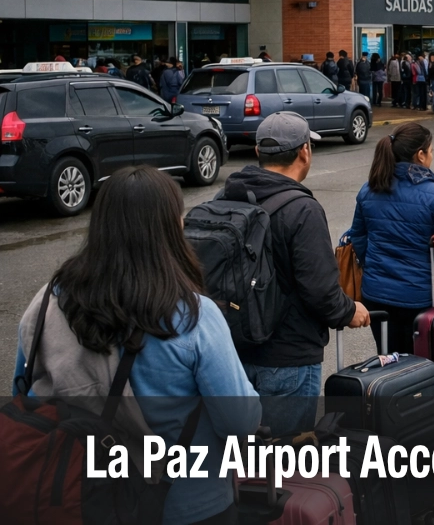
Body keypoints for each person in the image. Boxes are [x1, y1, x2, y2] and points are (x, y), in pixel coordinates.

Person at [14, 165, 261, 525]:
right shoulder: (193, 315)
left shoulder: (48, 302)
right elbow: (240, 422)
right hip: (184, 503)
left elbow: (24, 395)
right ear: (172, 228)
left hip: (75, 497)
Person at [222, 112, 370, 435]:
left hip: (236, 351)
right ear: (305, 151)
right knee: (286, 463)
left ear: (259, 152)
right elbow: (321, 291)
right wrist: (350, 311)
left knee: (246, 461)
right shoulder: (303, 210)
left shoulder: (227, 198)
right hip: (289, 359)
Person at [347, 123, 434, 354]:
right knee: (421, 368)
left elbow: (358, 235)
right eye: (431, 151)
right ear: (420, 155)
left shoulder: (369, 190)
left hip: (376, 295)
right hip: (420, 299)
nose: (432, 156)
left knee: (388, 362)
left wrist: (376, 265)